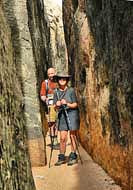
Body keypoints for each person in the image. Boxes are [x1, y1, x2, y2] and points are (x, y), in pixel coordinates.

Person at [53, 72, 80, 166]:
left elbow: (75, 104)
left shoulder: (71, 91)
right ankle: (61, 156)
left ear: (67, 80)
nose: (62, 80)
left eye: (64, 79)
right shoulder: (56, 92)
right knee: (62, 137)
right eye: (60, 79)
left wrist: (67, 104)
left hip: (72, 114)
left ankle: (73, 155)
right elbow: (55, 107)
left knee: (73, 135)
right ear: (57, 80)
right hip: (62, 115)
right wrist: (57, 105)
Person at [40, 67, 59, 149]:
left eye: (52, 73)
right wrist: (45, 99)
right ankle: (53, 140)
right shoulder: (45, 83)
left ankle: (56, 138)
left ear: (55, 73)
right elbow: (42, 95)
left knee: (58, 123)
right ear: (47, 75)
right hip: (51, 105)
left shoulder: (59, 82)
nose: (51, 75)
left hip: (59, 105)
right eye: (49, 74)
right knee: (52, 124)